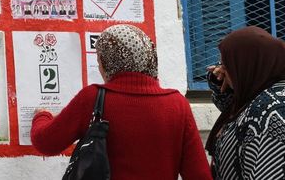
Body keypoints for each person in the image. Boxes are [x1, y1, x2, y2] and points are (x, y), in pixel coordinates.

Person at [30, 24, 212, 179]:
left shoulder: (92, 98)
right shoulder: (177, 104)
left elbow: (46, 142)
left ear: (108, 62)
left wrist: (41, 116)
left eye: (100, 61)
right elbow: (199, 174)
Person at [205, 26, 285, 179]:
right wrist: (224, 85)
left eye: (227, 65)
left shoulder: (269, 114)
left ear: (249, 66)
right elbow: (237, 114)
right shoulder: (263, 92)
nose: (221, 70)